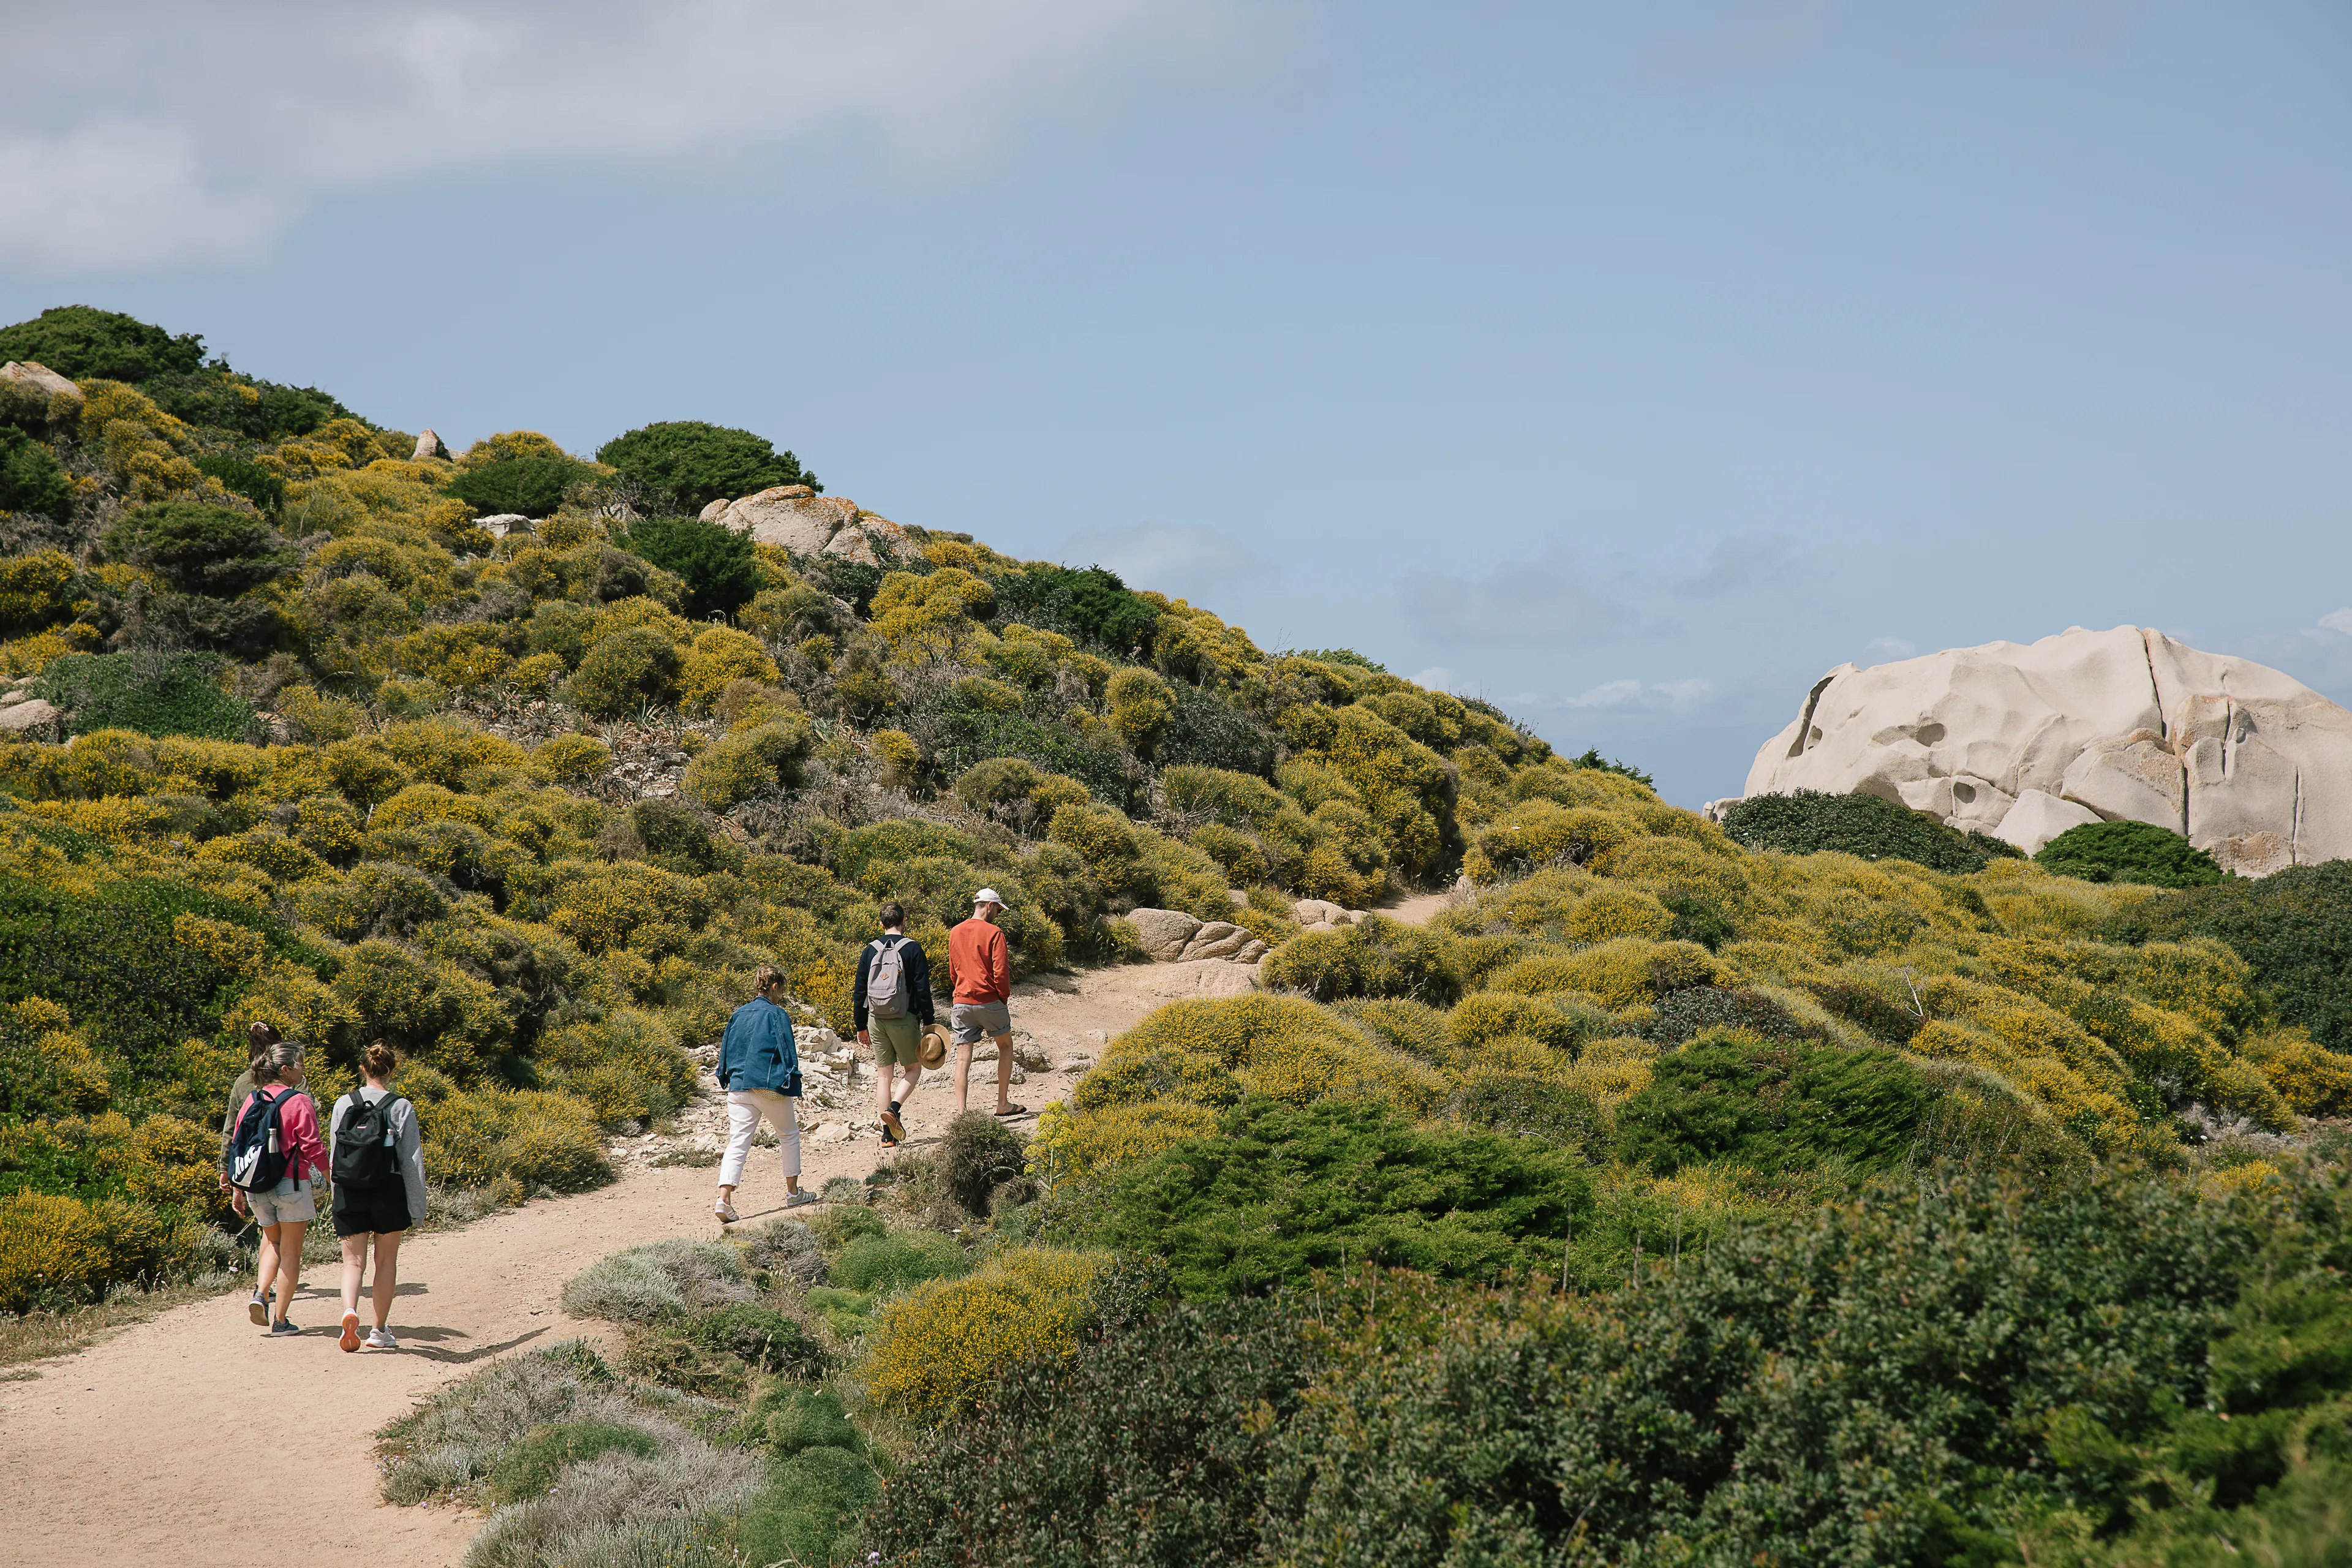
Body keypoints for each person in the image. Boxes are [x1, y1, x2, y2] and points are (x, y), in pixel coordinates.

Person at [327, 1040, 426, 1352]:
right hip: (388, 1191)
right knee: (385, 1263)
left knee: (353, 1263)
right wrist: (417, 1207)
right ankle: (379, 1331)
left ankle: (349, 1311)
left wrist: (336, 1198)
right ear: (392, 1070)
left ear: (363, 1069)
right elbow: (412, 1163)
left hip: (349, 1191)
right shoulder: (401, 1106)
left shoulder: (343, 1104)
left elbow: (334, 1158)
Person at [227, 1042, 327, 1336]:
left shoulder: (252, 1098)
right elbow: (313, 1146)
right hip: (291, 1184)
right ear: (285, 1070)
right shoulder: (299, 1101)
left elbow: (238, 1144)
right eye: (300, 1064)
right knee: (292, 1252)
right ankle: (281, 1321)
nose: (303, 1069)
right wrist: (330, 1177)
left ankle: (261, 1293)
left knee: (272, 1243)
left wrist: (237, 1186)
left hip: (256, 1185)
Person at [714, 963, 815, 1223]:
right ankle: (793, 1193)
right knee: (789, 1135)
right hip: (768, 1086)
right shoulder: (777, 1014)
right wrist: (793, 1081)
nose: (782, 994)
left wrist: (724, 1076)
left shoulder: (738, 1014)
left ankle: (723, 1200)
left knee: (738, 1142)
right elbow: (787, 1050)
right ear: (774, 987)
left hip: (739, 1085)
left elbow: (726, 1048)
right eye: (782, 989)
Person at [853, 900, 934, 1146]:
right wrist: (929, 1023)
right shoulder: (912, 949)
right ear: (904, 922)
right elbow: (922, 990)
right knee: (913, 1069)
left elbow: (859, 990)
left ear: (881, 923)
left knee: (884, 1075)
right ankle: (895, 1109)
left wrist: (860, 1026)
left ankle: (887, 1135)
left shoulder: (870, 950)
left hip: (875, 1019)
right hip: (903, 1018)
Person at [219, 1022, 281, 1325]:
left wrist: (228, 1174)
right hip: (284, 1168)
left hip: (250, 1168)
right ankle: (273, 1296)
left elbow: (232, 1132)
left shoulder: (243, 1083)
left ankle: (263, 1288)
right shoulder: (291, 1079)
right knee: (285, 1237)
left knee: (266, 1230)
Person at [948, 888, 1025, 1118]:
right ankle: (1002, 1103)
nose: (999, 915)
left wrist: (960, 991)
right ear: (989, 906)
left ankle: (962, 1113)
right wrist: (1003, 998)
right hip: (989, 1000)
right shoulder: (995, 933)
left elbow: (954, 971)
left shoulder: (955, 931)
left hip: (961, 1001)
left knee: (963, 1058)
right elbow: (1001, 972)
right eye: (998, 910)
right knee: (1006, 1047)